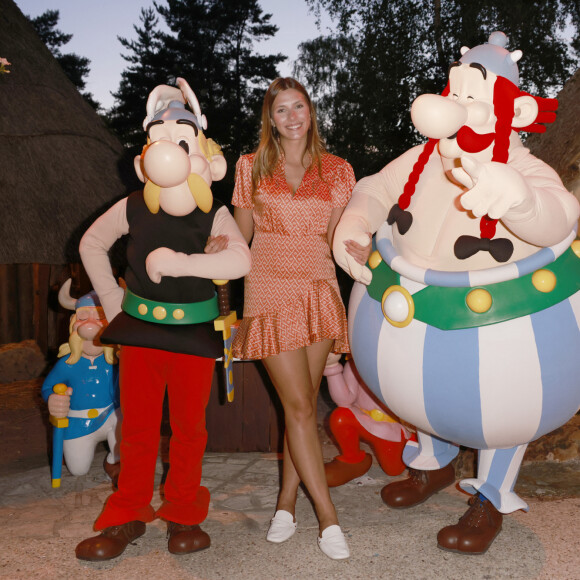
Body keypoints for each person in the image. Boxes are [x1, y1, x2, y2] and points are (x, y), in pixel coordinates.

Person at [74, 78, 251, 561]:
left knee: (190, 428)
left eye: (180, 138)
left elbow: (240, 261)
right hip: (141, 331)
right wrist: (113, 303)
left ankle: (183, 510)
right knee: (138, 427)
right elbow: (90, 244)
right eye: (160, 139)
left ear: (200, 150)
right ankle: (127, 511)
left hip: (193, 333)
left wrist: (183, 263)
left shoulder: (213, 210)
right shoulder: (132, 205)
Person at [229, 77, 368, 560]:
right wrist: (215, 245)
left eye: (299, 106)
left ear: (311, 111)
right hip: (268, 287)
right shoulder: (249, 167)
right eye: (281, 109)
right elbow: (240, 235)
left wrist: (364, 248)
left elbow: (338, 235)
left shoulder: (338, 170)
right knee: (301, 408)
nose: (292, 116)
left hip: (317, 286)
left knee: (302, 407)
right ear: (270, 118)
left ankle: (286, 503)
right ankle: (328, 518)